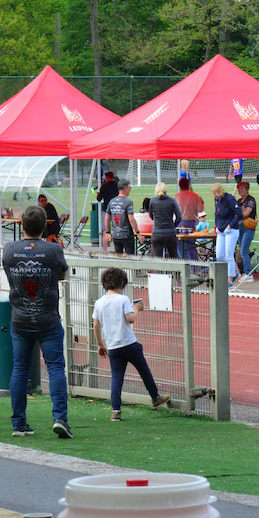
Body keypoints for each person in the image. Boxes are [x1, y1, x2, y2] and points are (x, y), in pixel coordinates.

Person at [3, 205, 71, 438]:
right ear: (44, 226)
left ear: (22, 225)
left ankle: (18, 423)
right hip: (48, 318)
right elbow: (62, 274)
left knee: (20, 369)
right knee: (55, 368)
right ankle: (60, 418)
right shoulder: (53, 250)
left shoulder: (9, 250)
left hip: (20, 318)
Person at [92, 267, 171, 421]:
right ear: (122, 283)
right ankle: (155, 397)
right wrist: (136, 308)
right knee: (143, 370)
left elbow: (96, 325)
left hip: (113, 347)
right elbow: (130, 318)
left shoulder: (99, 303)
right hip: (129, 344)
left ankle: (116, 410)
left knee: (116, 378)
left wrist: (100, 344)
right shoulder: (123, 300)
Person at [211, 183, 242, 288]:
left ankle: (230, 279)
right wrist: (216, 225)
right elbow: (217, 213)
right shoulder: (217, 200)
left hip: (231, 230)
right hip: (220, 230)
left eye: (215, 193)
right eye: (213, 193)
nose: (214, 195)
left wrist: (230, 225)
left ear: (220, 191)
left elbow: (239, 214)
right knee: (219, 255)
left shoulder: (229, 199)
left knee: (229, 254)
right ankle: (233, 272)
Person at [104, 179, 143, 254]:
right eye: (129, 188)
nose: (130, 190)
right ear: (125, 188)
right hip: (126, 234)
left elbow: (107, 219)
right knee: (130, 257)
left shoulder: (111, 202)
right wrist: (137, 233)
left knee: (119, 257)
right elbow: (131, 219)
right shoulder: (128, 202)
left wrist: (108, 232)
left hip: (116, 234)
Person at [147, 182, 182, 258]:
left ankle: (159, 266)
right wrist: (173, 225)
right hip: (170, 232)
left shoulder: (153, 201)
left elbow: (151, 215)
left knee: (158, 257)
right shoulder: (172, 201)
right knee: (174, 255)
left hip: (157, 232)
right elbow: (179, 217)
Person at [174, 177, 204, 260]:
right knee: (191, 246)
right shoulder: (195, 196)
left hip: (180, 223)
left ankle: (186, 263)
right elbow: (201, 209)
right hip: (191, 223)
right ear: (188, 185)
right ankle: (195, 265)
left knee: (181, 246)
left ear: (180, 186)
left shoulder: (177, 196)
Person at [235, 182, 257, 283]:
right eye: (239, 189)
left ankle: (248, 273)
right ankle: (246, 271)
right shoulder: (239, 201)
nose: (240, 191)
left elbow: (246, 213)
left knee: (243, 250)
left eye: (242, 188)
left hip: (248, 228)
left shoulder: (251, 200)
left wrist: (237, 214)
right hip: (239, 227)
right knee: (243, 250)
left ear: (247, 189)